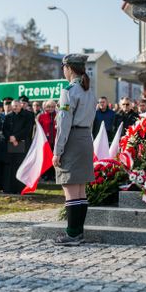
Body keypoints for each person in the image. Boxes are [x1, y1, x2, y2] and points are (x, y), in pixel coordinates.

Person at [53, 54, 97, 246]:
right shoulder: (89, 91)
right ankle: (78, 232)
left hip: (72, 138)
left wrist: (57, 151)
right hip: (86, 138)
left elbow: (63, 124)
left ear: (69, 68)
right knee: (80, 190)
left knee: (70, 188)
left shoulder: (69, 91)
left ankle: (72, 234)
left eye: (64, 67)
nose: (63, 71)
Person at [2, 100, 34, 194]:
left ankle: (21, 188)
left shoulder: (28, 115)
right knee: (11, 167)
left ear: (21, 105)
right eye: (13, 106)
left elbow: (27, 129)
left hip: (23, 143)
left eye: (16, 105)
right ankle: (10, 188)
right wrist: (10, 137)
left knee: (21, 165)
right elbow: (5, 129)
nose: (15, 107)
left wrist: (16, 138)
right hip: (11, 143)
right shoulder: (8, 116)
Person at [37, 100, 57, 181]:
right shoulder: (41, 116)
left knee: (54, 158)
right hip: (45, 142)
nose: (50, 108)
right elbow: (38, 130)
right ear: (45, 107)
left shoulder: (58, 115)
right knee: (46, 158)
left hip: (55, 141)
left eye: (52, 106)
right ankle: (45, 175)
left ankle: (53, 175)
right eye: (48, 107)